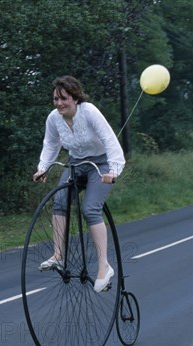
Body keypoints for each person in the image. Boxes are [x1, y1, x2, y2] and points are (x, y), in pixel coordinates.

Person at [32, 75, 125, 293]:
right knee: (59, 201)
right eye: (55, 99)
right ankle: (58, 256)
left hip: (100, 164)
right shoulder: (53, 118)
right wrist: (42, 168)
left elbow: (110, 141)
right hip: (76, 163)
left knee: (90, 209)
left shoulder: (89, 112)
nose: (59, 103)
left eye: (63, 98)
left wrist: (113, 171)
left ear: (75, 98)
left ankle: (104, 267)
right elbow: (50, 144)